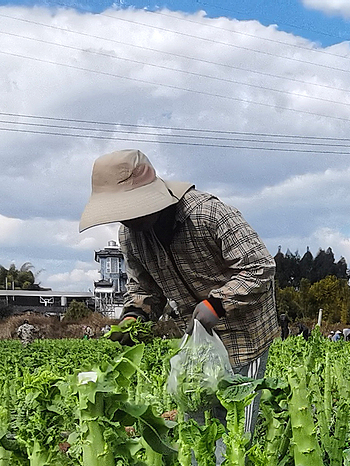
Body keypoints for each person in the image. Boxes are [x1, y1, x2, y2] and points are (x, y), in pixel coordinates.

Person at [80, 149, 279, 433]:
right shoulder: (130, 235)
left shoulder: (206, 213)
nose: (127, 220)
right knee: (197, 419)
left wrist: (218, 304)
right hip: (193, 339)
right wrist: (134, 316)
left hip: (242, 332)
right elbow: (143, 287)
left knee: (235, 425)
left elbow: (259, 266)